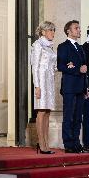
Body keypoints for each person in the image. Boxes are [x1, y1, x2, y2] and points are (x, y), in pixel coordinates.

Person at [57, 20, 89, 153]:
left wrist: (86, 86)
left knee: (78, 117)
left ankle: (77, 143)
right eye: (76, 28)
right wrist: (77, 69)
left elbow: (85, 69)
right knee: (69, 116)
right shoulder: (63, 46)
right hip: (69, 87)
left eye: (79, 28)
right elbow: (60, 66)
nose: (79, 30)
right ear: (68, 31)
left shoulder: (80, 47)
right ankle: (69, 145)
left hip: (80, 87)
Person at [31, 21, 57, 154]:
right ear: (43, 32)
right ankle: (41, 144)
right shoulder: (38, 45)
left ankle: (46, 143)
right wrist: (37, 86)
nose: (53, 33)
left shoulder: (50, 47)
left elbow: (54, 65)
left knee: (47, 112)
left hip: (49, 82)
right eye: (50, 30)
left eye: (53, 30)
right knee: (41, 111)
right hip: (41, 82)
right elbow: (35, 66)